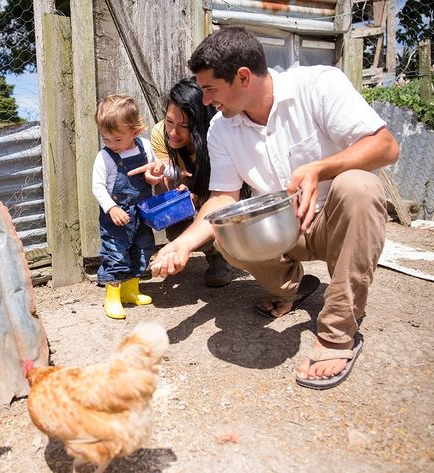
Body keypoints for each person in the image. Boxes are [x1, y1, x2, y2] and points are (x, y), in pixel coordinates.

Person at [148, 27, 399, 389]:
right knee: (224, 229)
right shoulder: (222, 129)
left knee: (359, 185)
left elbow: (386, 147)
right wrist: (182, 245)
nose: (205, 101)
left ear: (243, 77)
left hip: (336, 224)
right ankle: (291, 289)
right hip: (282, 229)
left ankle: (338, 331)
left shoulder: (318, 85)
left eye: (210, 89)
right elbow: (222, 198)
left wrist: (321, 168)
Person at [150, 77, 234, 287]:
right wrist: (160, 182)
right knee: (174, 224)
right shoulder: (160, 135)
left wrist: (199, 195)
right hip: (187, 194)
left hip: (220, 195)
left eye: (184, 126)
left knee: (221, 221)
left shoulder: (218, 137)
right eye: (170, 122)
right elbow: (167, 186)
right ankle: (211, 249)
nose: (173, 132)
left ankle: (221, 254)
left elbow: (226, 192)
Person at [92, 94, 165, 320]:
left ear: (134, 132)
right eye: (106, 139)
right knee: (116, 253)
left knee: (142, 249)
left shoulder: (144, 147)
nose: (111, 144)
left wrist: (153, 176)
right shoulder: (104, 157)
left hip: (141, 212)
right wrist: (111, 208)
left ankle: (131, 290)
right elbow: (98, 187)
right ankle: (112, 297)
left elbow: (151, 173)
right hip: (117, 215)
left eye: (117, 139)